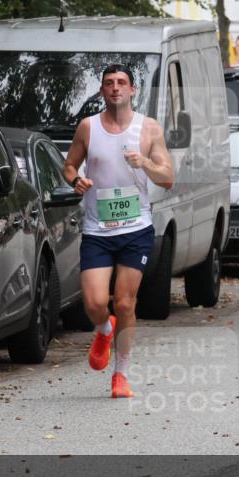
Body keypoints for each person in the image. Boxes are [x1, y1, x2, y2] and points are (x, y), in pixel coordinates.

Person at [63, 64, 175, 398]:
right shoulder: (88, 127)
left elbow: (168, 178)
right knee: (96, 303)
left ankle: (120, 376)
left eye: (121, 83)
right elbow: (69, 165)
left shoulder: (149, 129)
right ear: (102, 91)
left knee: (126, 303)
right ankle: (103, 328)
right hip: (97, 229)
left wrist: (146, 163)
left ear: (132, 90)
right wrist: (76, 180)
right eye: (109, 83)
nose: (115, 88)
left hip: (136, 228)